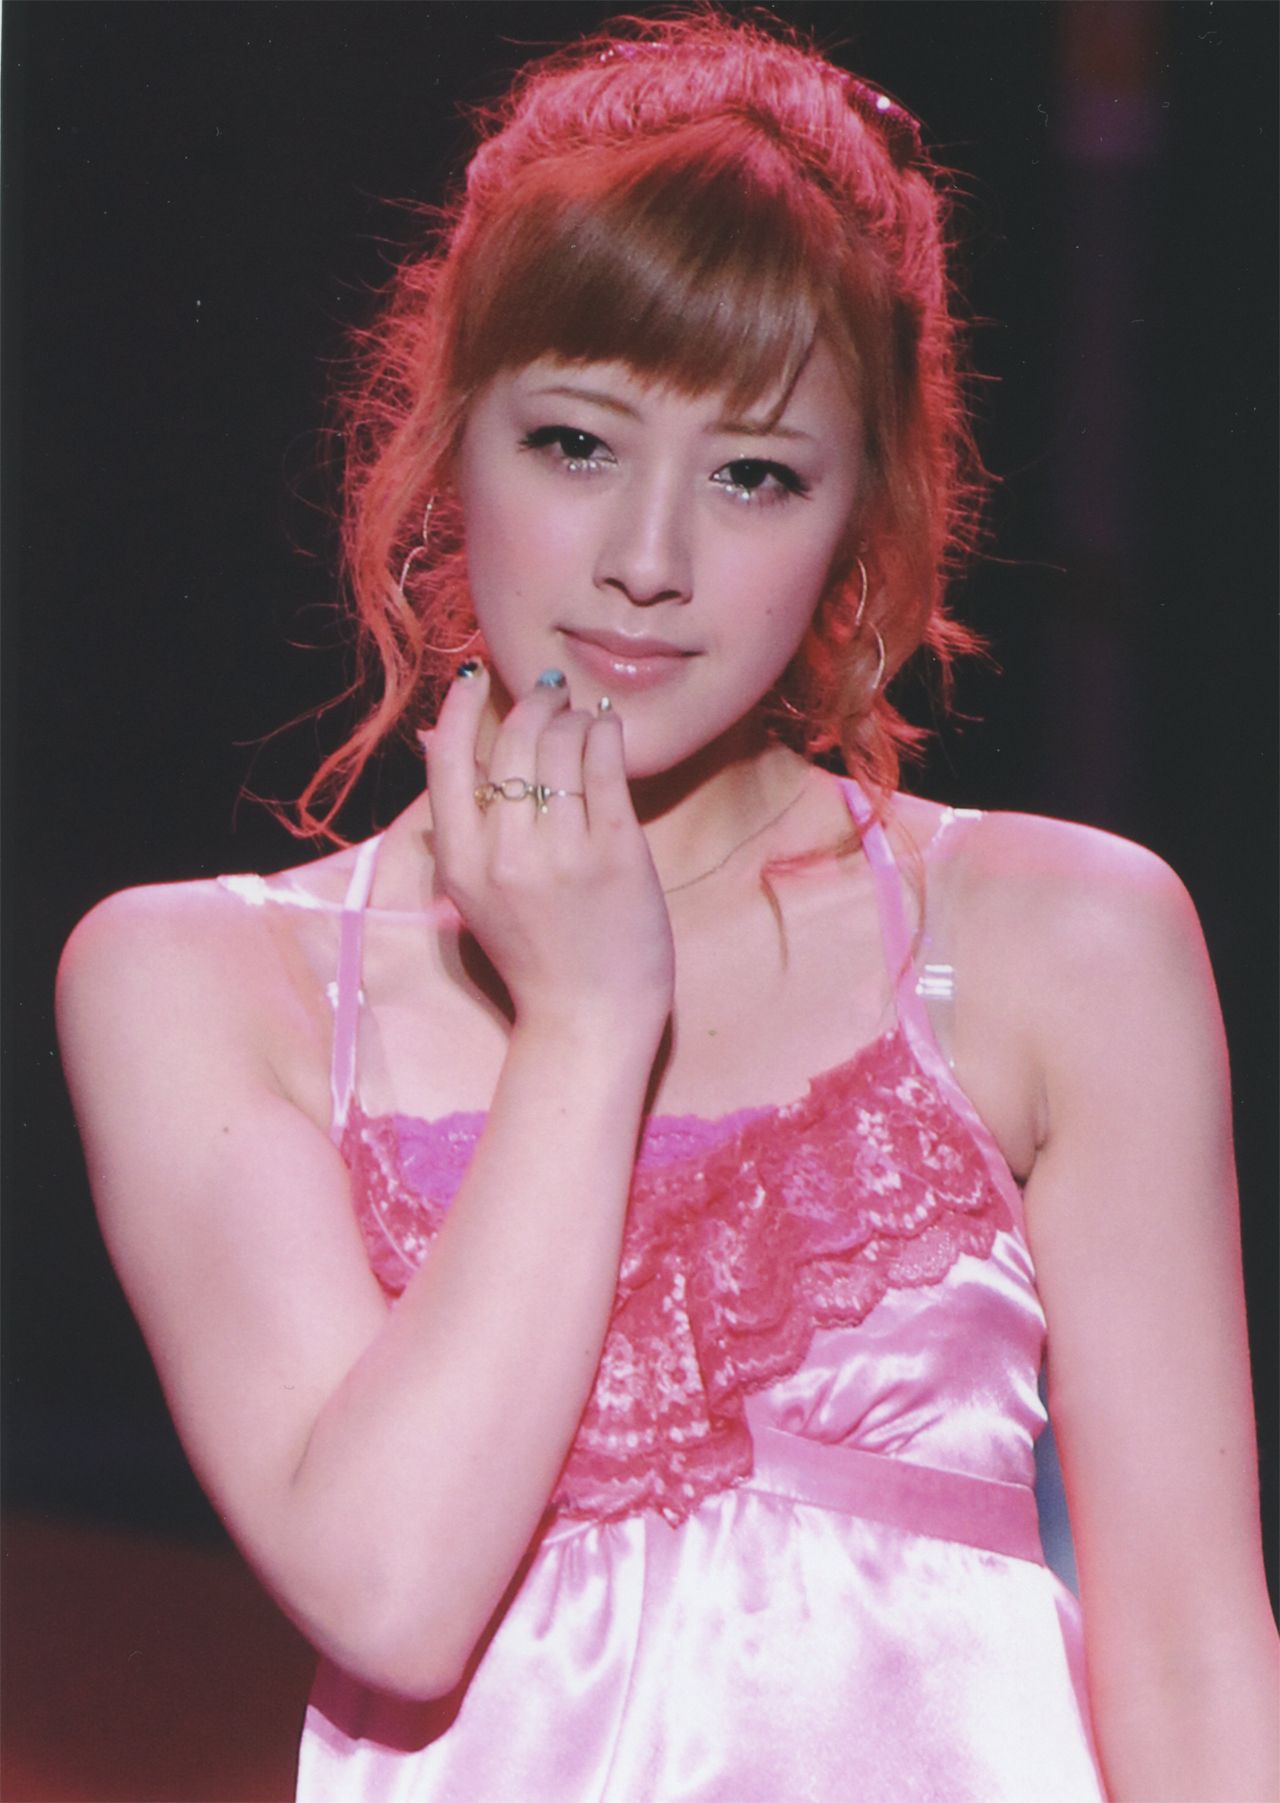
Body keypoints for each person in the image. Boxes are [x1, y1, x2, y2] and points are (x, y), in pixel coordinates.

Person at [55, 10, 1277, 1801]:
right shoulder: (202, 980)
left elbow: (1190, 1649)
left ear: (862, 514)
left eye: (754, 474)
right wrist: (587, 1014)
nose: (648, 559)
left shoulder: (1060, 940)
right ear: (450, 440)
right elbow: (390, 1591)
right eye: (575, 444)